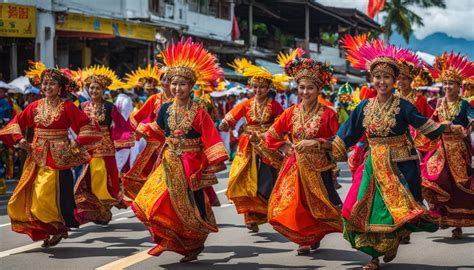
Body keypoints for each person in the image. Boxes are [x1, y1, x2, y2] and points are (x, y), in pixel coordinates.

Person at [319, 36, 463, 269]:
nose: (381, 81)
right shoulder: (364, 107)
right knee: (356, 207)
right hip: (372, 164)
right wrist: (325, 144)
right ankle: (373, 255)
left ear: (395, 80)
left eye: (387, 77)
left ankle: (388, 244)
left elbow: (425, 125)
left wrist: (447, 127)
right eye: (378, 77)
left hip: (399, 166)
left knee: (389, 211)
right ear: (372, 79)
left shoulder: (404, 106)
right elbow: (348, 133)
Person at [131, 38, 228, 262]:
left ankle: (192, 242)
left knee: (187, 205)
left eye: (182, 84)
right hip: (167, 160)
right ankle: (168, 239)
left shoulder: (199, 111)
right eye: (174, 84)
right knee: (153, 200)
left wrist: (214, 161)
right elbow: (158, 129)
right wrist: (142, 130)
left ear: (191, 86)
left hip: (190, 163)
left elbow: (210, 137)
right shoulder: (164, 108)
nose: (177, 88)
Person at [0, 62, 101, 247]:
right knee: (32, 194)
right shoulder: (35, 106)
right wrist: (19, 139)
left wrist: (78, 143)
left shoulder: (67, 106)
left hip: (59, 156)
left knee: (48, 194)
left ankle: (55, 227)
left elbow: (86, 125)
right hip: (36, 155)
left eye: (52, 84)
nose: (47, 87)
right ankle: (47, 229)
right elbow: (16, 122)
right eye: (44, 83)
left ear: (60, 87)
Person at [258, 56, 343, 255]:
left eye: (310, 88)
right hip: (294, 166)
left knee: (320, 205)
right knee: (296, 204)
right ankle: (304, 239)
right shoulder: (290, 112)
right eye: (302, 87)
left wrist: (318, 143)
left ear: (319, 89)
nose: (305, 92)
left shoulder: (329, 114)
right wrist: (284, 146)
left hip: (319, 167)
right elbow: (271, 135)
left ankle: (315, 234)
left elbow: (339, 144)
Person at [221, 54, 295, 232]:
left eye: (262, 87)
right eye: (255, 86)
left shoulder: (275, 105)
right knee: (245, 179)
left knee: (266, 179)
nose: (258, 90)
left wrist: (282, 139)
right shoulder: (246, 104)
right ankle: (250, 216)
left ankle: (266, 210)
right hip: (248, 145)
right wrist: (225, 123)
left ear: (268, 87)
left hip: (268, 144)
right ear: (251, 87)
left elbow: (281, 124)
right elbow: (231, 118)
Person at [419, 52, 474, 239]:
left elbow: (472, 120)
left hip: (458, 149)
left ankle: (457, 223)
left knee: (457, 185)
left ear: (459, 86)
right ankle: (439, 213)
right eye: (446, 83)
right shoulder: (438, 103)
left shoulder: (465, 104)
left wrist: (465, 129)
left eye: (451, 83)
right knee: (430, 179)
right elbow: (431, 123)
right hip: (440, 148)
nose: (448, 87)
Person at [74, 67, 135, 225]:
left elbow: (120, 126)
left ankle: (104, 206)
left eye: (97, 88)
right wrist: (78, 140)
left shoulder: (109, 107)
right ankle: (96, 207)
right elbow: (76, 125)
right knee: (89, 178)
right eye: (91, 87)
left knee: (103, 177)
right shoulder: (82, 106)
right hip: (89, 148)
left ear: (103, 90)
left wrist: (122, 141)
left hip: (105, 147)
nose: (94, 90)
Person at [122, 65, 171, 200]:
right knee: (150, 176)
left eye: (170, 79)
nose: (166, 82)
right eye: (164, 79)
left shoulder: (180, 100)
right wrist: (139, 132)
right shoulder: (154, 99)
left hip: (174, 145)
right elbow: (135, 118)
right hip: (154, 145)